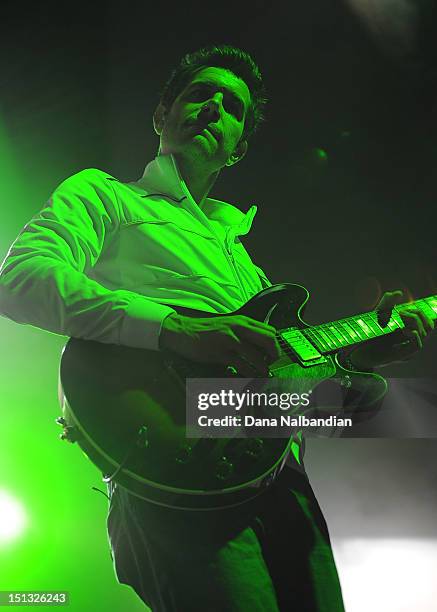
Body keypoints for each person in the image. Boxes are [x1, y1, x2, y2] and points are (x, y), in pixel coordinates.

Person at [0, 45, 433, 611]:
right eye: (200, 93)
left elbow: (291, 378)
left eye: (231, 107)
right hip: (172, 436)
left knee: (399, 408)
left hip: (273, 458)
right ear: (162, 116)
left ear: (239, 148)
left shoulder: (246, 266)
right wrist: (176, 328)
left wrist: (369, 354)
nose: (214, 109)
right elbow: (21, 280)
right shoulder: (104, 195)